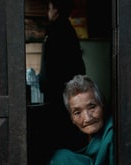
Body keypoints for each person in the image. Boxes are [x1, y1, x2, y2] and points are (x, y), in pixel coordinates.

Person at [38, 0, 87, 152]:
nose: (48, 12)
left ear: (56, 10)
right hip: (62, 90)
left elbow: (53, 64)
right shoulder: (66, 29)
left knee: (59, 131)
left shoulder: (56, 30)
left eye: (49, 8)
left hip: (59, 91)